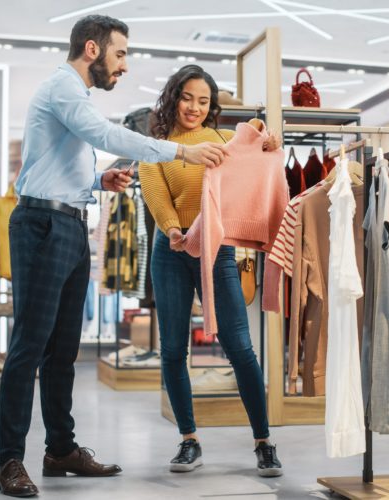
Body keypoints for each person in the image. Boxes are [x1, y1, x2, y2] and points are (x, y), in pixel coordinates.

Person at [0, 16, 228, 498]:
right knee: (29, 347)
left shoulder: (74, 95)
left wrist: (96, 182)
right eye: (120, 54)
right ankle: (8, 461)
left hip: (69, 222)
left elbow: (57, 162)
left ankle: (61, 449)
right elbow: (103, 135)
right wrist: (180, 154)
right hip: (42, 224)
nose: (124, 64)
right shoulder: (64, 86)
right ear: (92, 49)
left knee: (63, 351)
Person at [139, 65, 284, 477]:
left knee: (240, 345)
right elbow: (156, 194)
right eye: (188, 98)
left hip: (217, 251)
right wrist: (172, 229)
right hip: (170, 250)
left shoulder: (222, 140)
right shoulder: (159, 146)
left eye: (204, 101)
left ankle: (264, 442)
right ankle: (189, 439)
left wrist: (269, 144)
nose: (195, 107)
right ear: (173, 97)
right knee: (172, 349)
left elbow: (258, 158)